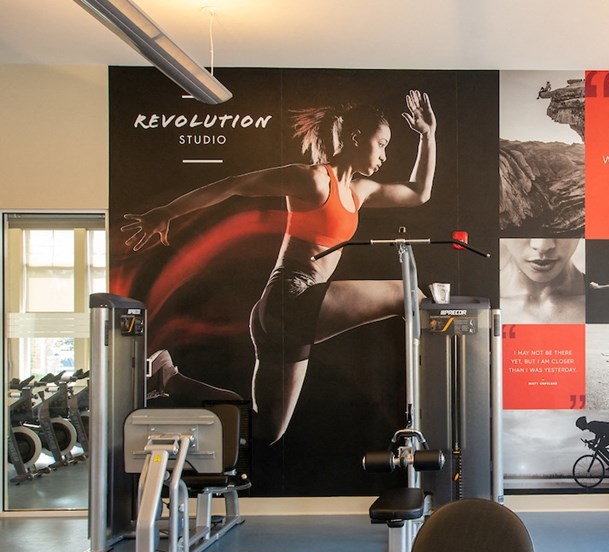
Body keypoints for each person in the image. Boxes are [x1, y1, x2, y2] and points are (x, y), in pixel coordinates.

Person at [121, 90, 437, 443]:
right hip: (292, 298)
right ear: (355, 137)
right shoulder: (313, 180)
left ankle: (169, 378)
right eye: (381, 144)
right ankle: (438, 387)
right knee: (404, 293)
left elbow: (418, 193)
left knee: (265, 430)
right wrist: (166, 212)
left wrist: (428, 134)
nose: (384, 155)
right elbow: (235, 185)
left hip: (278, 319)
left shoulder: (359, 191)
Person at [500, 238, 585, 323]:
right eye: (524, 228)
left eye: (559, 227)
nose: (542, 246)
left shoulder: (596, 302)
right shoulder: (489, 298)